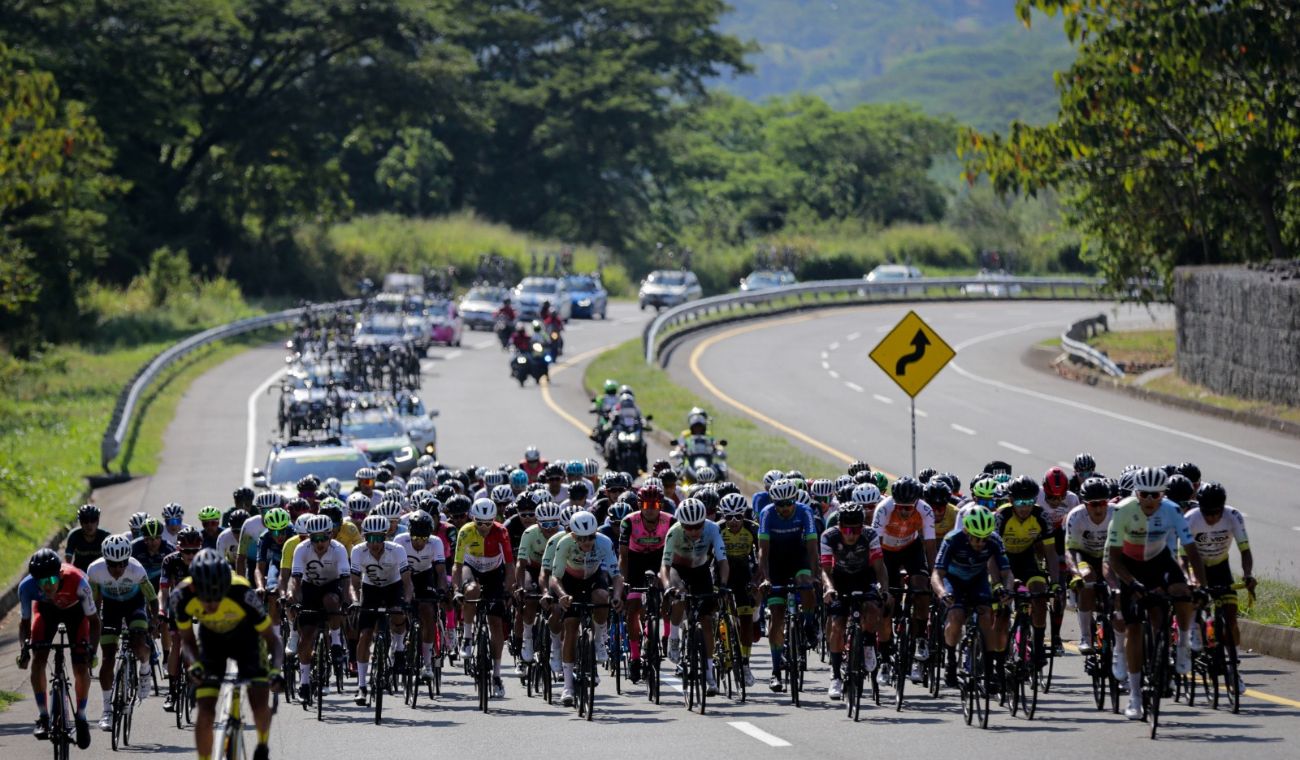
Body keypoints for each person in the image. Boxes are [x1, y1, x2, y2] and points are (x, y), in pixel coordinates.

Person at [1105, 466, 1206, 720]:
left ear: (1163, 494)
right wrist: (1132, 584)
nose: (1150, 500)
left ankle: (1182, 645)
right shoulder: (1122, 511)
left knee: (1183, 594)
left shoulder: (1171, 510)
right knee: (1135, 628)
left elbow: (1192, 550)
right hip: (1128, 564)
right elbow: (1114, 558)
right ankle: (1136, 696)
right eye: (1144, 494)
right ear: (1136, 493)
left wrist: (1201, 585)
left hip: (1159, 561)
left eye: (1156, 495)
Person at [175, 550, 282, 760]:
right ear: (195, 588)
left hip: (247, 640)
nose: (212, 604)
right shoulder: (181, 595)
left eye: (217, 596)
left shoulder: (242, 592)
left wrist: (276, 671)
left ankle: (262, 744)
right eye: (206, 598)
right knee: (205, 712)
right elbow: (187, 641)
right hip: (211, 642)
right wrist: (194, 665)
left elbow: (273, 641)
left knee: (259, 702)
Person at [17, 548, 100, 748]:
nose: (47, 587)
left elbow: (95, 622)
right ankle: (44, 716)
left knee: (80, 666)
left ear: (60, 574)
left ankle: (80, 717)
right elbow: (24, 623)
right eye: (42, 582)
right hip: (46, 613)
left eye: (51, 581)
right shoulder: (27, 587)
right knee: (38, 660)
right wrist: (24, 649)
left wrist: (92, 650)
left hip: (76, 614)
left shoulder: (79, 581)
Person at [932, 509, 1013, 689]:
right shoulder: (952, 540)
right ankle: (951, 661)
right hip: (953, 580)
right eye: (976, 538)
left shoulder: (994, 540)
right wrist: (942, 593)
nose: (980, 543)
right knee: (956, 616)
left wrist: (1007, 590)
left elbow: (1007, 573)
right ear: (966, 531)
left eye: (984, 538)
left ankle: (989, 670)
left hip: (977, 580)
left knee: (986, 617)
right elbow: (937, 573)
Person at [549, 511, 622, 706]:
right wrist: (562, 595)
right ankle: (567, 687)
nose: (588, 542)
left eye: (591, 536)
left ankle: (599, 639)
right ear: (573, 536)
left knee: (602, 597)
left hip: (593, 578)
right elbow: (554, 577)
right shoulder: (564, 543)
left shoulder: (604, 542)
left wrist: (616, 596)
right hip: (570, 581)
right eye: (582, 538)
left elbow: (616, 576)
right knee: (571, 628)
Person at [86, 534, 157, 730]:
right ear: (105, 560)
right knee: (108, 657)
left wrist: (154, 619)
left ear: (128, 560)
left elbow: (151, 597)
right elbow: (93, 599)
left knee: (138, 643)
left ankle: (144, 669)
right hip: (110, 609)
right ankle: (107, 710)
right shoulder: (95, 570)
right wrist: (94, 622)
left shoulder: (136, 569)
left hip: (134, 606)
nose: (117, 569)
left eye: (121, 564)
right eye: (112, 564)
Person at [820, 503, 890, 699]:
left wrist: (884, 590)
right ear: (839, 525)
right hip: (839, 580)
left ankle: (868, 645)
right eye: (847, 529)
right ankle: (835, 676)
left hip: (864, 577)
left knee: (873, 610)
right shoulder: (829, 536)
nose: (851, 534)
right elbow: (825, 570)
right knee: (837, 627)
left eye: (856, 529)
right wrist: (829, 588)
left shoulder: (870, 535)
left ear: (862, 527)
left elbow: (879, 566)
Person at [757, 478, 819, 692]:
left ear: (794, 500)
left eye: (788, 503)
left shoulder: (805, 512)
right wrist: (765, 579)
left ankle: (809, 625)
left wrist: (815, 575)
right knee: (777, 615)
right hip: (775, 562)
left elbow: (812, 548)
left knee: (806, 584)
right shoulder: (767, 513)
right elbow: (763, 552)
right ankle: (775, 672)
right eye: (779, 504)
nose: (784, 508)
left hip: (798, 557)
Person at [661, 499, 727, 696]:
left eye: (698, 526)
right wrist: (667, 587)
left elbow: (723, 560)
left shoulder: (713, 529)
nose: (694, 531)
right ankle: (673, 637)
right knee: (679, 595)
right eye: (688, 527)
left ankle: (709, 675)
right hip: (678, 569)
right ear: (682, 524)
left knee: (706, 621)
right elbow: (664, 566)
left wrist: (723, 585)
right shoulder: (673, 532)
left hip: (700, 570)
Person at [452, 499, 516, 699]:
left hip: (494, 572)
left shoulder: (501, 532)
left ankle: (496, 675)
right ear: (473, 519)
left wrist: (508, 591)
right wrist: (456, 590)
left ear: (494, 520)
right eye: (480, 522)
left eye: (488, 523)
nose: (484, 527)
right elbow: (457, 564)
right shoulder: (465, 531)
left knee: (495, 623)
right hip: (471, 568)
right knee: (471, 591)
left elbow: (510, 566)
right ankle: (468, 638)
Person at [349, 515, 414, 706]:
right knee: (365, 635)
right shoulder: (358, 551)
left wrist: (406, 601)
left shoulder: (397, 550)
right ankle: (361, 686)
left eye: (379, 538)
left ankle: (399, 647)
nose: (374, 543)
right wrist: (354, 601)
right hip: (370, 589)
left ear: (385, 536)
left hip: (394, 587)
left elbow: (407, 581)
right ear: (365, 537)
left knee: (397, 614)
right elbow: (353, 583)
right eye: (370, 538)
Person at [289, 514, 353, 701]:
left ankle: (335, 643)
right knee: (306, 638)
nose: (319, 542)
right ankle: (305, 683)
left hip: (332, 586)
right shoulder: (301, 549)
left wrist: (348, 599)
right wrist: (293, 596)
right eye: (314, 538)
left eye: (323, 537)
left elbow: (346, 579)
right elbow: (296, 579)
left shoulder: (339, 549)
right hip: (310, 589)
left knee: (332, 601)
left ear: (330, 535)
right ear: (309, 537)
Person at [65, 504, 110, 572]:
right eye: (85, 520)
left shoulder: (105, 537)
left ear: (97, 521)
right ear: (81, 522)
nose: (89, 524)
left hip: (100, 574)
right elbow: (68, 562)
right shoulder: (74, 536)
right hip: (80, 575)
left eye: (93, 520)